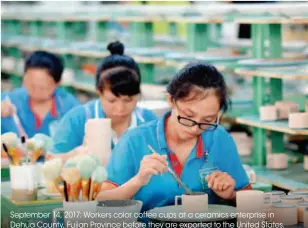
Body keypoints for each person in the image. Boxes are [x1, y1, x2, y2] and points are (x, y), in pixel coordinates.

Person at [97, 63, 251, 211]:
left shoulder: (218, 138)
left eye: (208, 120)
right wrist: (137, 181)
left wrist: (231, 195)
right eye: (188, 116)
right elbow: (101, 201)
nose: (195, 127)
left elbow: (249, 198)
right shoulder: (135, 140)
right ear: (171, 100)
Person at [50, 41, 158, 161]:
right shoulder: (78, 119)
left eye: (128, 100)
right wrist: (75, 154)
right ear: (99, 92)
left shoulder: (149, 122)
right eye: (112, 101)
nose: (120, 109)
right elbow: (51, 161)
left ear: (138, 94)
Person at [1, 51, 80, 138]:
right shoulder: (9, 101)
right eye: (32, 85)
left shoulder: (70, 108)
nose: (36, 91)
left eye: (42, 87)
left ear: (57, 83)